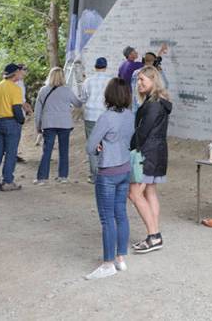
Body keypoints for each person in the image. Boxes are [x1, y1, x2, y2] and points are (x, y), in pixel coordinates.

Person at [85, 78, 135, 280]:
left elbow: (90, 147)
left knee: (107, 219)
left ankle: (107, 264)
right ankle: (120, 258)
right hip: (124, 169)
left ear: (109, 95)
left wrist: (99, 148)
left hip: (108, 172)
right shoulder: (131, 115)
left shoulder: (106, 118)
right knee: (121, 214)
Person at [128, 66, 172, 254]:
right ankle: (154, 233)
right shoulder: (159, 102)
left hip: (148, 154)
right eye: (138, 80)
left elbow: (143, 131)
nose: (138, 84)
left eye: (142, 80)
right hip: (156, 153)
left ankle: (154, 236)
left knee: (134, 193)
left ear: (153, 81)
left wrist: (129, 147)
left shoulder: (153, 104)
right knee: (150, 192)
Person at [33, 66, 83, 185]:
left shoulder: (43, 90)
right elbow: (78, 103)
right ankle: (63, 176)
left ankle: (42, 178)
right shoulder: (67, 90)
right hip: (64, 124)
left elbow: (38, 110)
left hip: (48, 123)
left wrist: (37, 125)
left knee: (47, 151)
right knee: (64, 150)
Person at [0, 63, 26, 191]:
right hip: (11, 122)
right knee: (11, 153)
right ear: (15, 73)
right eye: (20, 71)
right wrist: (21, 121)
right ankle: (8, 181)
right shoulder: (15, 89)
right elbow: (16, 108)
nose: (22, 73)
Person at [79, 57, 112, 182]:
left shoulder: (87, 81)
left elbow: (83, 98)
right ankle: (105, 173)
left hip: (90, 116)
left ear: (95, 67)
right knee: (106, 144)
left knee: (93, 145)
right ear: (106, 66)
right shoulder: (110, 81)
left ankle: (94, 175)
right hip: (105, 116)